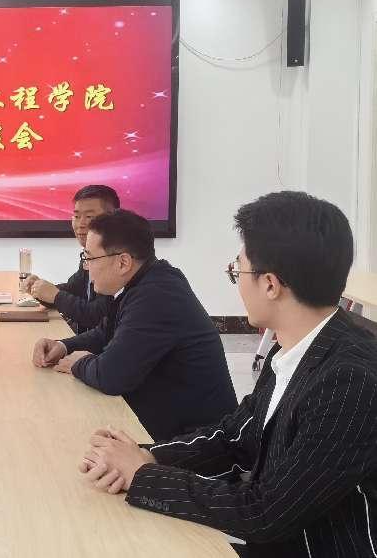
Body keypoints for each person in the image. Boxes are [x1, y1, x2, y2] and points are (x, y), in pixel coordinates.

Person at [81, 192, 377, 558]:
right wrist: (145, 456)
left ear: (270, 284)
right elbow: (235, 436)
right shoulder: (291, 349)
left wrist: (143, 475)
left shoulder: (349, 382)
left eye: (237, 270)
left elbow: (265, 511)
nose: (236, 281)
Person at [32, 209, 237, 440]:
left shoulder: (158, 295)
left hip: (195, 442)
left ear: (123, 262)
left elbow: (111, 376)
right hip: (167, 421)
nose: (86, 267)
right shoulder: (146, 281)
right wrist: (64, 346)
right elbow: (107, 332)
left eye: (89, 258)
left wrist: (78, 363)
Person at [23, 185, 118, 334]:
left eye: (89, 217)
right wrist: (39, 290)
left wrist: (55, 296)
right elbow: (73, 289)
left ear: (112, 219)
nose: (81, 224)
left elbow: (97, 315)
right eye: (77, 216)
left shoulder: (115, 259)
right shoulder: (89, 254)